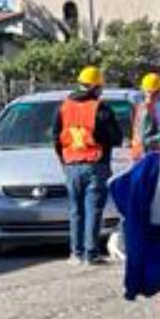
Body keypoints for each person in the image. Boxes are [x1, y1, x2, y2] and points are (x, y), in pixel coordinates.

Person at [53, 66, 121, 266]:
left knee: (76, 210)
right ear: (94, 87)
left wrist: (64, 160)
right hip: (95, 163)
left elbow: (56, 137)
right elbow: (115, 137)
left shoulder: (64, 107)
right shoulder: (101, 108)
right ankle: (90, 253)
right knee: (93, 210)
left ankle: (75, 253)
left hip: (71, 164)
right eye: (100, 87)